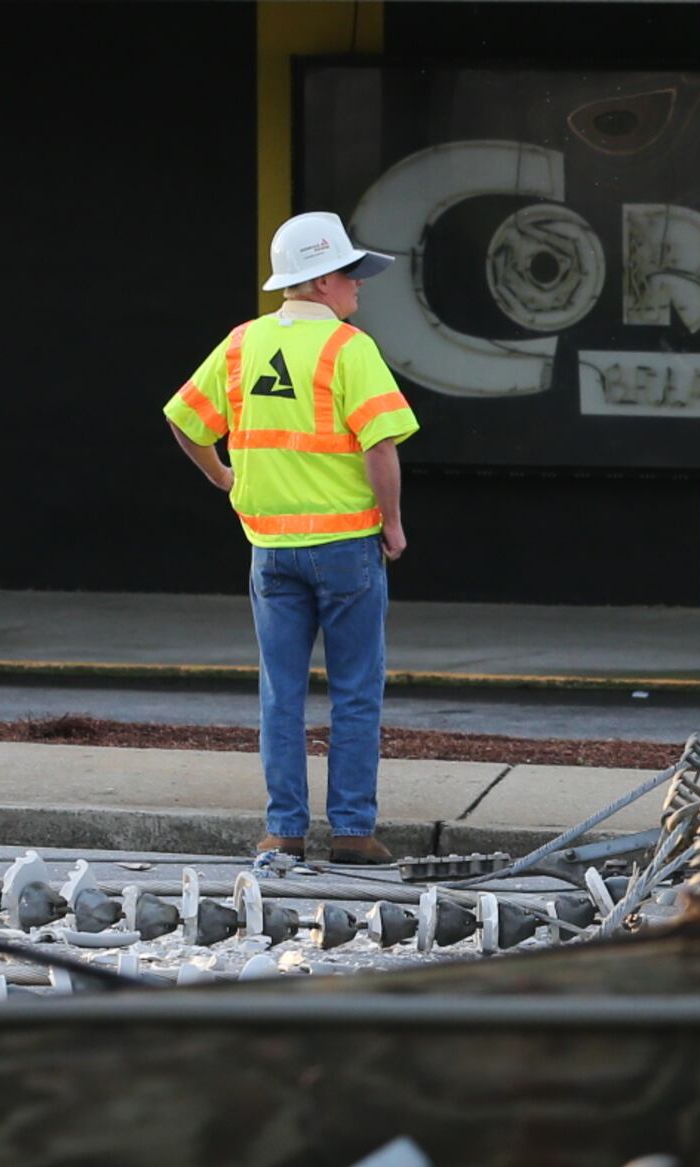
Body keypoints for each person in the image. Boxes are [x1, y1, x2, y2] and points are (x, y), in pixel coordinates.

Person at [166, 211, 419, 863]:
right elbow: (381, 446)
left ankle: (284, 831)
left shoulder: (241, 344)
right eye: (354, 276)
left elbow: (185, 422)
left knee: (281, 693)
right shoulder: (348, 348)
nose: (360, 289)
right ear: (326, 279)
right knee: (355, 691)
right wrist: (392, 524)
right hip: (345, 550)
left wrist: (223, 475)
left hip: (270, 551)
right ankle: (354, 833)